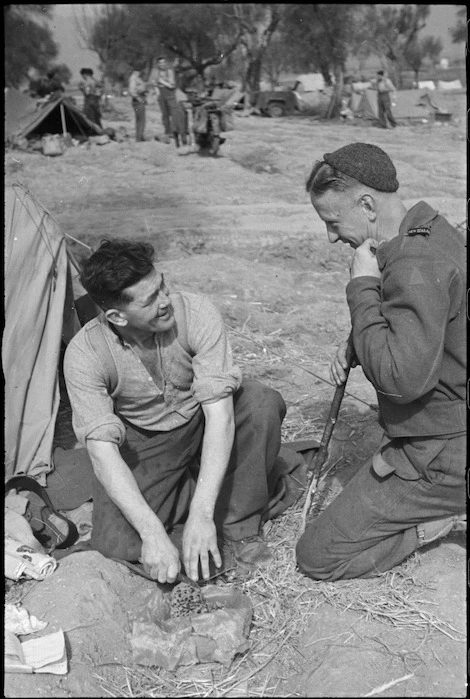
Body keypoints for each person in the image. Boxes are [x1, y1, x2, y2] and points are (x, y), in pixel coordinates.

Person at [64, 239, 306, 584]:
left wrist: (203, 517)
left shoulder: (195, 313)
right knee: (115, 542)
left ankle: (238, 524)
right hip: (148, 440)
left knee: (259, 400)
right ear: (117, 316)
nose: (165, 302)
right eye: (150, 300)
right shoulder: (85, 355)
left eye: (162, 286)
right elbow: (102, 453)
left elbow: (221, 416)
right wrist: (151, 533)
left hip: (204, 419)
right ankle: (212, 489)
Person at [296, 142, 466, 581]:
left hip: (442, 452)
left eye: (333, 221)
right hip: (449, 431)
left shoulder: (414, 262)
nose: (332, 237)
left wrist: (361, 290)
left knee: (317, 556)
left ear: (367, 204)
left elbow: (400, 379)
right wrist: (362, 333)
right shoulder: (430, 232)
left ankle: (442, 519)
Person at [155, 56, 179, 144]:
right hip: (161, 94)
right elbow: (154, 83)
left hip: (170, 93)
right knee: (164, 114)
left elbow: (172, 84)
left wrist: (162, 81)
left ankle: (174, 131)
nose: (162, 64)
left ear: (166, 63)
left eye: (163, 62)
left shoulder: (170, 71)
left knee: (173, 112)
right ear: (158, 64)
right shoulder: (156, 73)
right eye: (160, 63)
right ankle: (167, 131)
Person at [128, 66, 148, 142]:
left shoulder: (136, 78)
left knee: (139, 119)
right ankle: (139, 138)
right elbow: (132, 90)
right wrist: (139, 98)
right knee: (141, 120)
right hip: (138, 100)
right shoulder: (133, 78)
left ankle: (139, 136)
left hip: (139, 99)